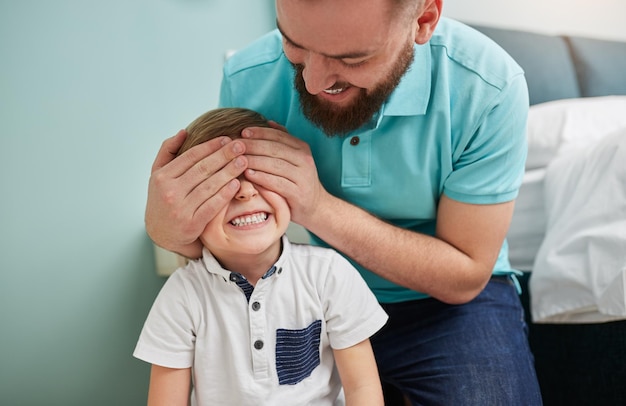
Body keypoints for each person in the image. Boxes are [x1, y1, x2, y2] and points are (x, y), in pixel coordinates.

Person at [145, 0, 543, 404]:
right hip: (301, 298)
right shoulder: (247, 78)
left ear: (423, 20)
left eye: (351, 58)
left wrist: (317, 207)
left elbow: (466, 274)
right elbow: (227, 233)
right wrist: (169, 230)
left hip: (444, 306)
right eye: (294, 46)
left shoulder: (489, 87)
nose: (314, 82)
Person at [134, 108, 388, 406]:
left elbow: (363, 391)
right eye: (220, 183)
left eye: (260, 173)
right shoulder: (183, 295)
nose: (245, 192)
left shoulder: (329, 275)